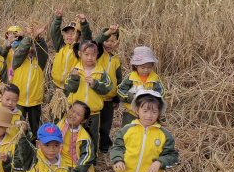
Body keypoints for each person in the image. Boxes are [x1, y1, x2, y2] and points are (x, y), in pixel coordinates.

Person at [98, 90, 179, 172]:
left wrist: (159, 162)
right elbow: (117, 147)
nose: (149, 115)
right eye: (145, 111)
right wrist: (118, 160)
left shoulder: (164, 135)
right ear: (137, 110)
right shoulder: (127, 130)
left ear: (159, 113)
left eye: (154, 112)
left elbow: (172, 155)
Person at [64, 40, 112, 152]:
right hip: (76, 111)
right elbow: (69, 88)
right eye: (86, 54)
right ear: (80, 54)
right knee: (74, 134)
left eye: (93, 54)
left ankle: (91, 158)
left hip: (94, 112)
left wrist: (95, 84)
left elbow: (108, 88)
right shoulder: (74, 70)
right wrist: (75, 79)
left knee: (92, 136)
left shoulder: (101, 72)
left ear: (97, 55)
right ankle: (74, 155)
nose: (90, 57)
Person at [49, 5, 92, 119]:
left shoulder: (79, 49)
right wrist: (58, 18)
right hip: (56, 85)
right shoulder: (60, 47)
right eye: (67, 32)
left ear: (79, 36)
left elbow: (87, 38)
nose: (69, 34)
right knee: (54, 114)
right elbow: (54, 33)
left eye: (73, 32)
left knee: (69, 114)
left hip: (71, 87)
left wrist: (83, 23)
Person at [11, 26, 48, 138]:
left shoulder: (40, 61)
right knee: (18, 126)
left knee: (35, 126)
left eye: (33, 45)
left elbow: (43, 51)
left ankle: (36, 144)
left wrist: (37, 38)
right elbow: (21, 52)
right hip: (19, 100)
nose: (31, 49)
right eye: (29, 45)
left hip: (35, 100)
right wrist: (28, 37)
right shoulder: (18, 60)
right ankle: (20, 144)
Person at [117, 46, 165, 126]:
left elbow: (161, 93)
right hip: (130, 112)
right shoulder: (130, 78)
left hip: (148, 113)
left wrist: (152, 98)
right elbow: (120, 91)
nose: (146, 70)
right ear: (136, 65)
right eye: (143, 68)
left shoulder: (155, 79)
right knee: (129, 130)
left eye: (149, 67)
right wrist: (132, 96)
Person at [58, 101, 95, 172]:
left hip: (76, 167)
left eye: (78, 114)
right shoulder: (59, 124)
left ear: (83, 120)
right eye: (72, 111)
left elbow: (88, 155)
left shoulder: (84, 137)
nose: (73, 115)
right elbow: (55, 110)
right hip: (59, 163)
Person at [95, 25, 123, 153]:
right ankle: (92, 145)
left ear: (117, 43)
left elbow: (119, 79)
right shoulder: (98, 54)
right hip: (95, 95)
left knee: (106, 125)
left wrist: (117, 98)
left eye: (113, 41)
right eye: (107, 40)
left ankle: (104, 146)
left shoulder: (116, 59)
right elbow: (97, 41)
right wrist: (108, 32)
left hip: (109, 98)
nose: (109, 44)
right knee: (93, 123)